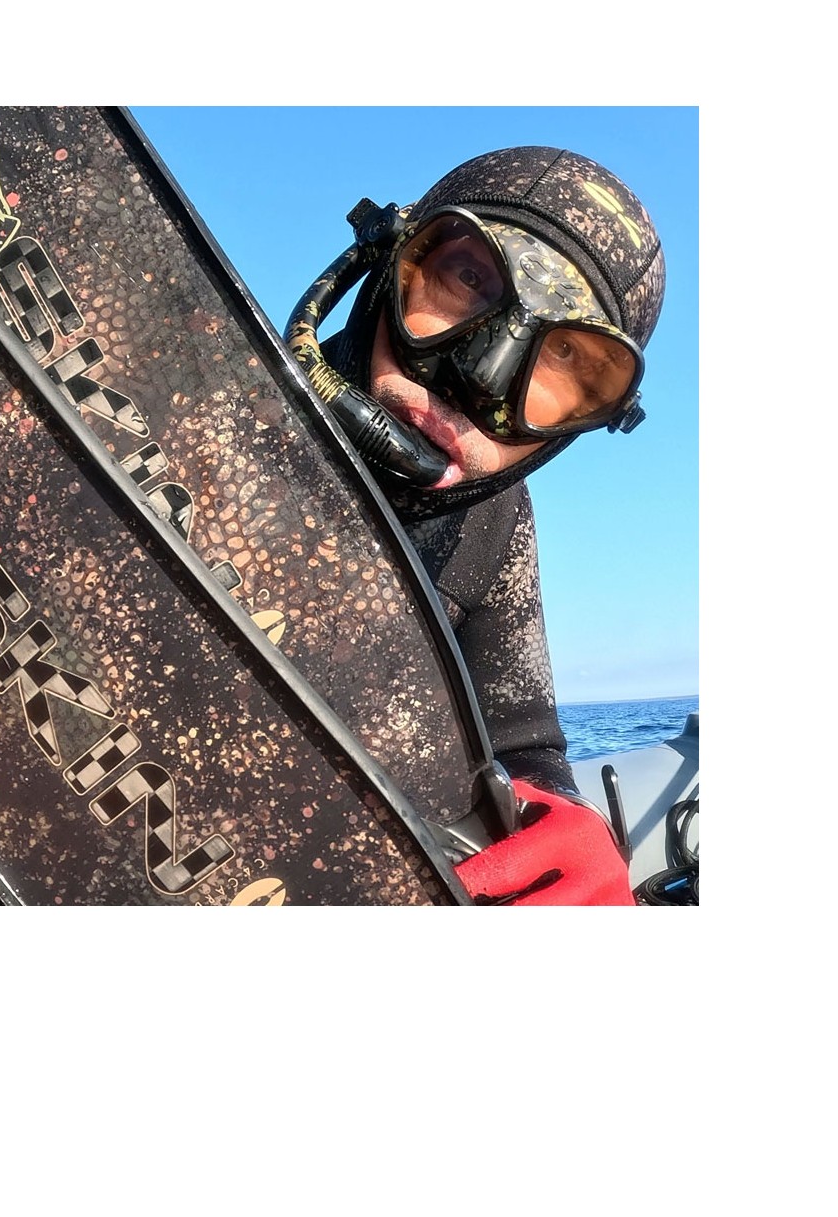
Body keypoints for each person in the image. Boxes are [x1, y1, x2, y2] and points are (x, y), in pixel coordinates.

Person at [285, 146, 666, 905]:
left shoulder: (494, 521)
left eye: (567, 360)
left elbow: (521, 744)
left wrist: (559, 819)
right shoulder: (190, 396)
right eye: (466, 278)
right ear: (389, 262)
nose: (481, 377)